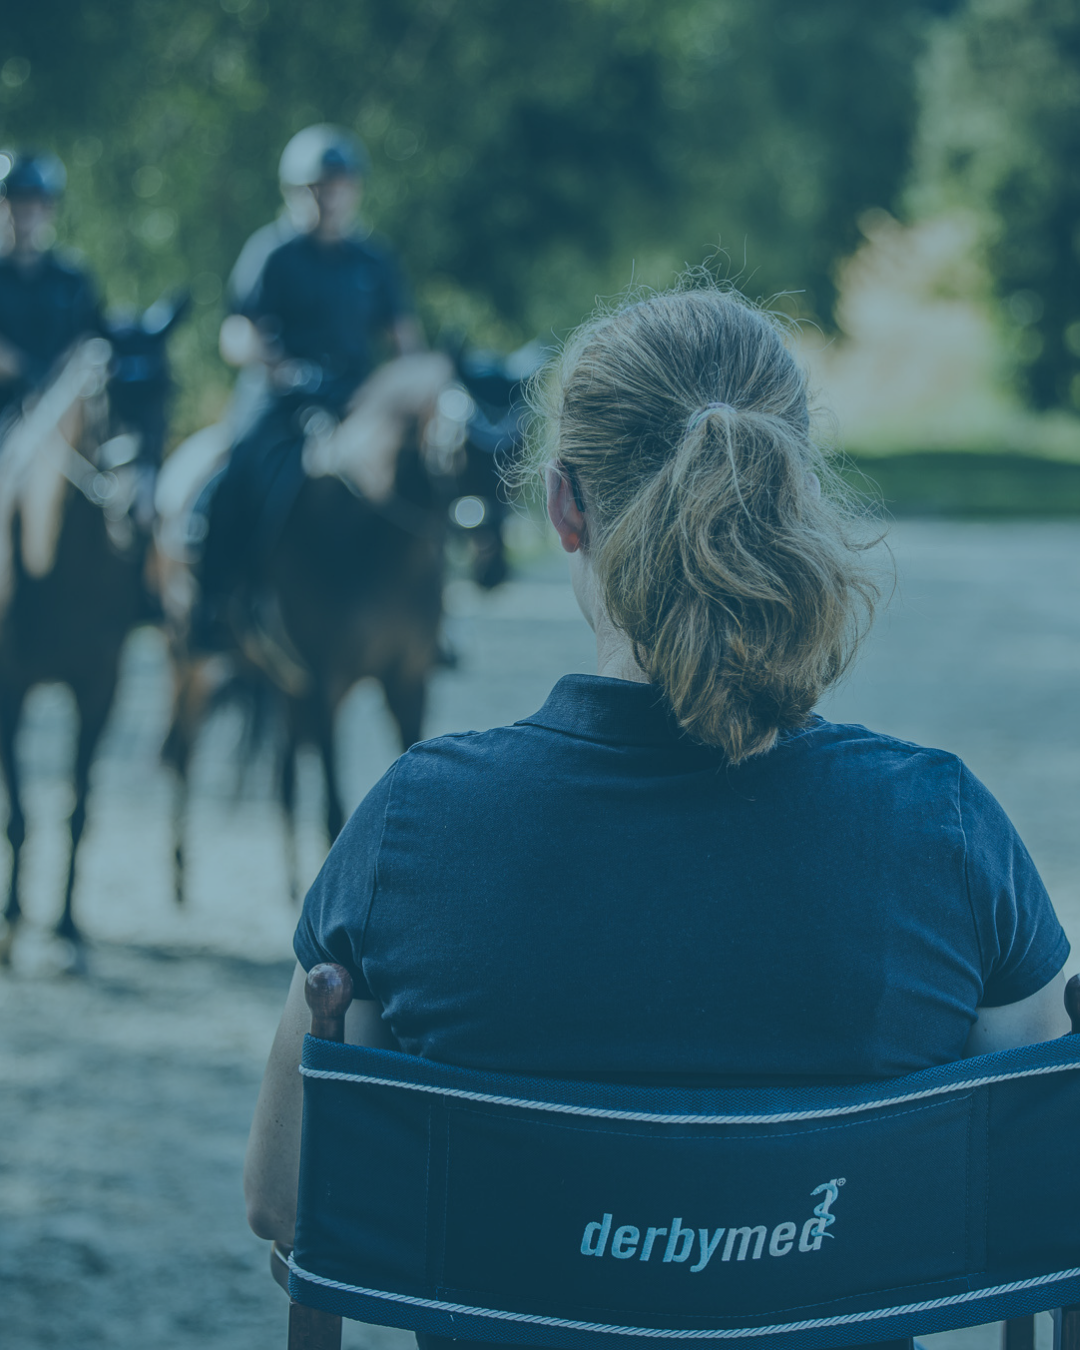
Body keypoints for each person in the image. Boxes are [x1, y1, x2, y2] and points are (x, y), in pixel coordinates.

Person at [244, 287, 1072, 1335]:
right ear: (793, 494)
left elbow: (287, 1197)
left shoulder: (417, 829)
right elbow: (1038, 1191)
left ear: (564, 507)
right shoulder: (943, 829)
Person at [192, 125, 422, 649]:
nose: (328, 198)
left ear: (354, 191)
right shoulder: (272, 252)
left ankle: (426, 614)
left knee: (416, 472)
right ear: (293, 192)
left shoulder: (373, 260)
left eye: (338, 186)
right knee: (238, 472)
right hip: (281, 399)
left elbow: (403, 339)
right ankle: (219, 600)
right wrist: (279, 367)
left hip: (355, 400)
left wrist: (407, 389)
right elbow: (237, 333)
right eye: (316, 187)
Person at [0, 151, 103, 422]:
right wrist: (27, 371)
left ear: (49, 208)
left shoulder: (72, 280)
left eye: (33, 202)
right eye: (17, 200)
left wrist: (57, 376)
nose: (25, 211)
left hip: (66, 407)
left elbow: (88, 337)